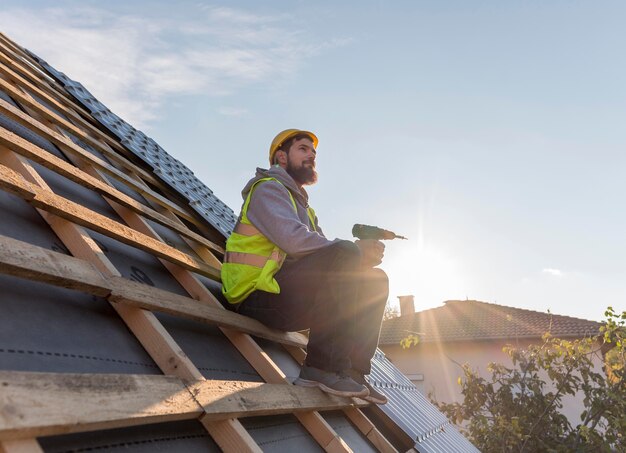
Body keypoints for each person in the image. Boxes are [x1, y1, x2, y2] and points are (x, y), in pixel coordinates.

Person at [221, 129, 389, 404]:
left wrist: (362, 260)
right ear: (281, 157)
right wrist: (352, 252)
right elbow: (295, 241)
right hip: (253, 295)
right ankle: (319, 368)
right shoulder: (267, 189)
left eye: (314, 152)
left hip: (283, 296)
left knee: (376, 279)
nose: (311, 155)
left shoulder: (306, 209)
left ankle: (354, 371)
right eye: (303, 149)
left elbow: (327, 257)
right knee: (346, 251)